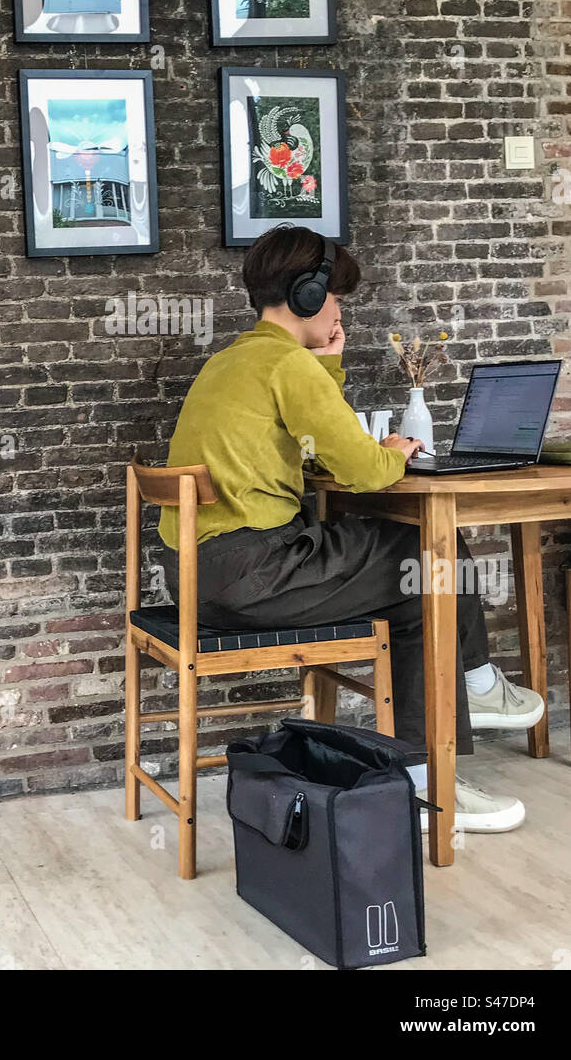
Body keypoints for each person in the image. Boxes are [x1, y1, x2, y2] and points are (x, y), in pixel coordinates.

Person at [157, 225, 544, 833]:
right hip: (257, 575)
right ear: (309, 296)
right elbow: (362, 471)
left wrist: (328, 370)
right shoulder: (287, 365)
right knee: (430, 549)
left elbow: (308, 445)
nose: (339, 310)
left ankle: (422, 775)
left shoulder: (230, 361)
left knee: (417, 594)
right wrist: (395, 448)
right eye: (335, 296)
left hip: (199, 581)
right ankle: (471, 692)